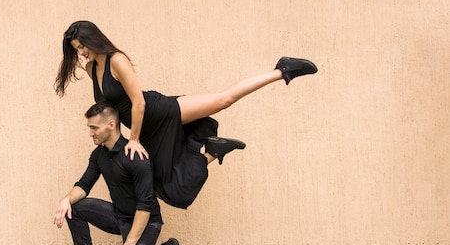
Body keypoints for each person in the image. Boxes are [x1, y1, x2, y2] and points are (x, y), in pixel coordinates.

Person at [55, 20, 318, 209]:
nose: (81, 53)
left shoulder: (117, 60)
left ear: (94, 39)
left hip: (158, 111)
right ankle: (213, 152)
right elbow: (110, 112)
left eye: (83, 46)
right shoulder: (92, 69)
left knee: (222, 100)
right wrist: (122, 141)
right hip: (144, 129)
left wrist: (133, 140)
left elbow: (138, 103)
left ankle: (281, 70)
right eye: (77, 49)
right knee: (160, 184)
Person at [52, 101, 182, 245]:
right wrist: (66, 200)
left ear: (111, 125)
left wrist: (129, 244)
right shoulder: (99, 155)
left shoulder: (135, 157)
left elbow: (145, 205)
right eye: (89, 128)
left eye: (94, 128)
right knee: (75, 207)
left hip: (146, 223)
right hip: (119, 216)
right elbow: (84, 185)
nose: (90, 133)